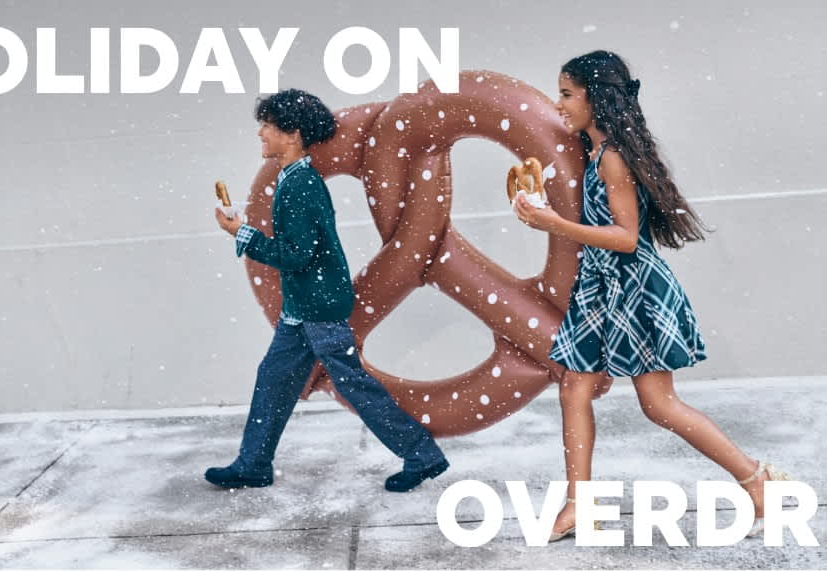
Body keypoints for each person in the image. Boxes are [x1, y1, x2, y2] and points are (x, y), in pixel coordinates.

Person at [511, 51, 789, 541]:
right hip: (599, 288)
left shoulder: (614, 157)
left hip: (630, 288)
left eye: (568, 94)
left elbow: (626, 237)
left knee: (658, 404)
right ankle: (579, 505)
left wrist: (554, 225)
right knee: (574, 389)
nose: (560, 104)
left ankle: (756, 480)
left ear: (597, 98)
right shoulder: (594, 149)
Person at [206, 88, 449, 493]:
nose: (261, 133)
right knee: (273, 379)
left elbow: (296, 255)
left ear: (293, 134)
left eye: (267, 126)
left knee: (354, 385)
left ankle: (421, 454)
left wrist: (242, 232)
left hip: (317, 307)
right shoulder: (295, 179)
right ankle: (253, 463)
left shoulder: (300, 185)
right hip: (305, 306)